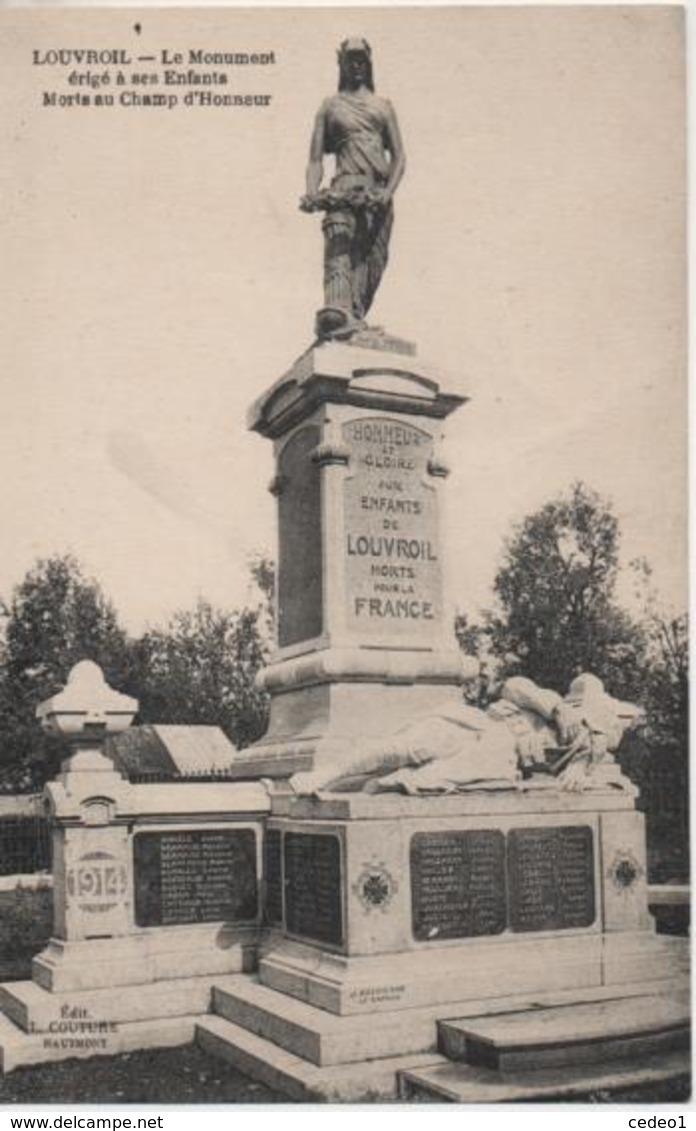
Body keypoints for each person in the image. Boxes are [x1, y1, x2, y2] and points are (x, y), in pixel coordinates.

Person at [291, 672, 643, 796]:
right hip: (481, 726)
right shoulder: (554, 705)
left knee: (408, 777)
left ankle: (362, 785)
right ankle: (326, 774)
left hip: (498, 758)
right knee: (402, 746)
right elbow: (511, 687)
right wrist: (554, 709)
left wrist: (578, 771)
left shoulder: (593, 748)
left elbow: (589, 770)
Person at [300, 39, 406, 341]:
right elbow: (315, 158)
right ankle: (335, 312)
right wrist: (311, 190)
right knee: (340, 247)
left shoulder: (383, 107)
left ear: (368, 63)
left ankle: (353, 318)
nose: (357, 65)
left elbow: (399, 156)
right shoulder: (330, 107)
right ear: (342, 63)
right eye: (351, 60)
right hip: (343, 191)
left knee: (373, 263)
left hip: (377, 197)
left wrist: (388, 192)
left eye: (361, 60)